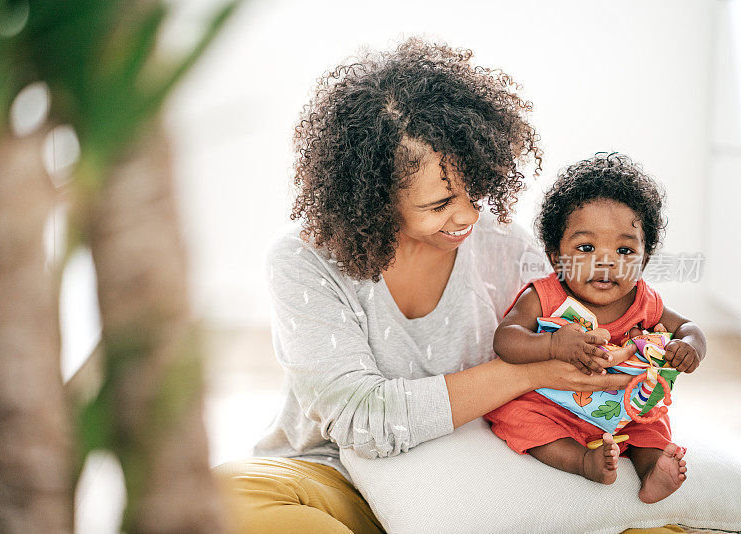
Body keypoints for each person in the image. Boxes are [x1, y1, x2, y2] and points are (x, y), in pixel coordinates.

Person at [211, 38, 682, 534]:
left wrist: (632, 362)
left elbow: (615, 319)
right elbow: (363, 422)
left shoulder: (505, 246)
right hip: (338, 475)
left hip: (477, 475)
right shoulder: (305, 259)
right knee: (229, 497)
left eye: (474, 190)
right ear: (373, 195)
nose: (468, 216)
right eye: (439, 205)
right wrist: (528, 373)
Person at [484, 153, 707, 504]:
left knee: (650, 423)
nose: (606, 261)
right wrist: (554, 345)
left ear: (644, 260)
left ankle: (652, 471)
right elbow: (506, 340)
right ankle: (581, 461)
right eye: (586, 248)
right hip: (553, 403)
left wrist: (690, 346)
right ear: (557, 256)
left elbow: (689, 327)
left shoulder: (643, 301)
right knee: (517, 417)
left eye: (624, 249)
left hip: (622, 405)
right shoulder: (545, 295)